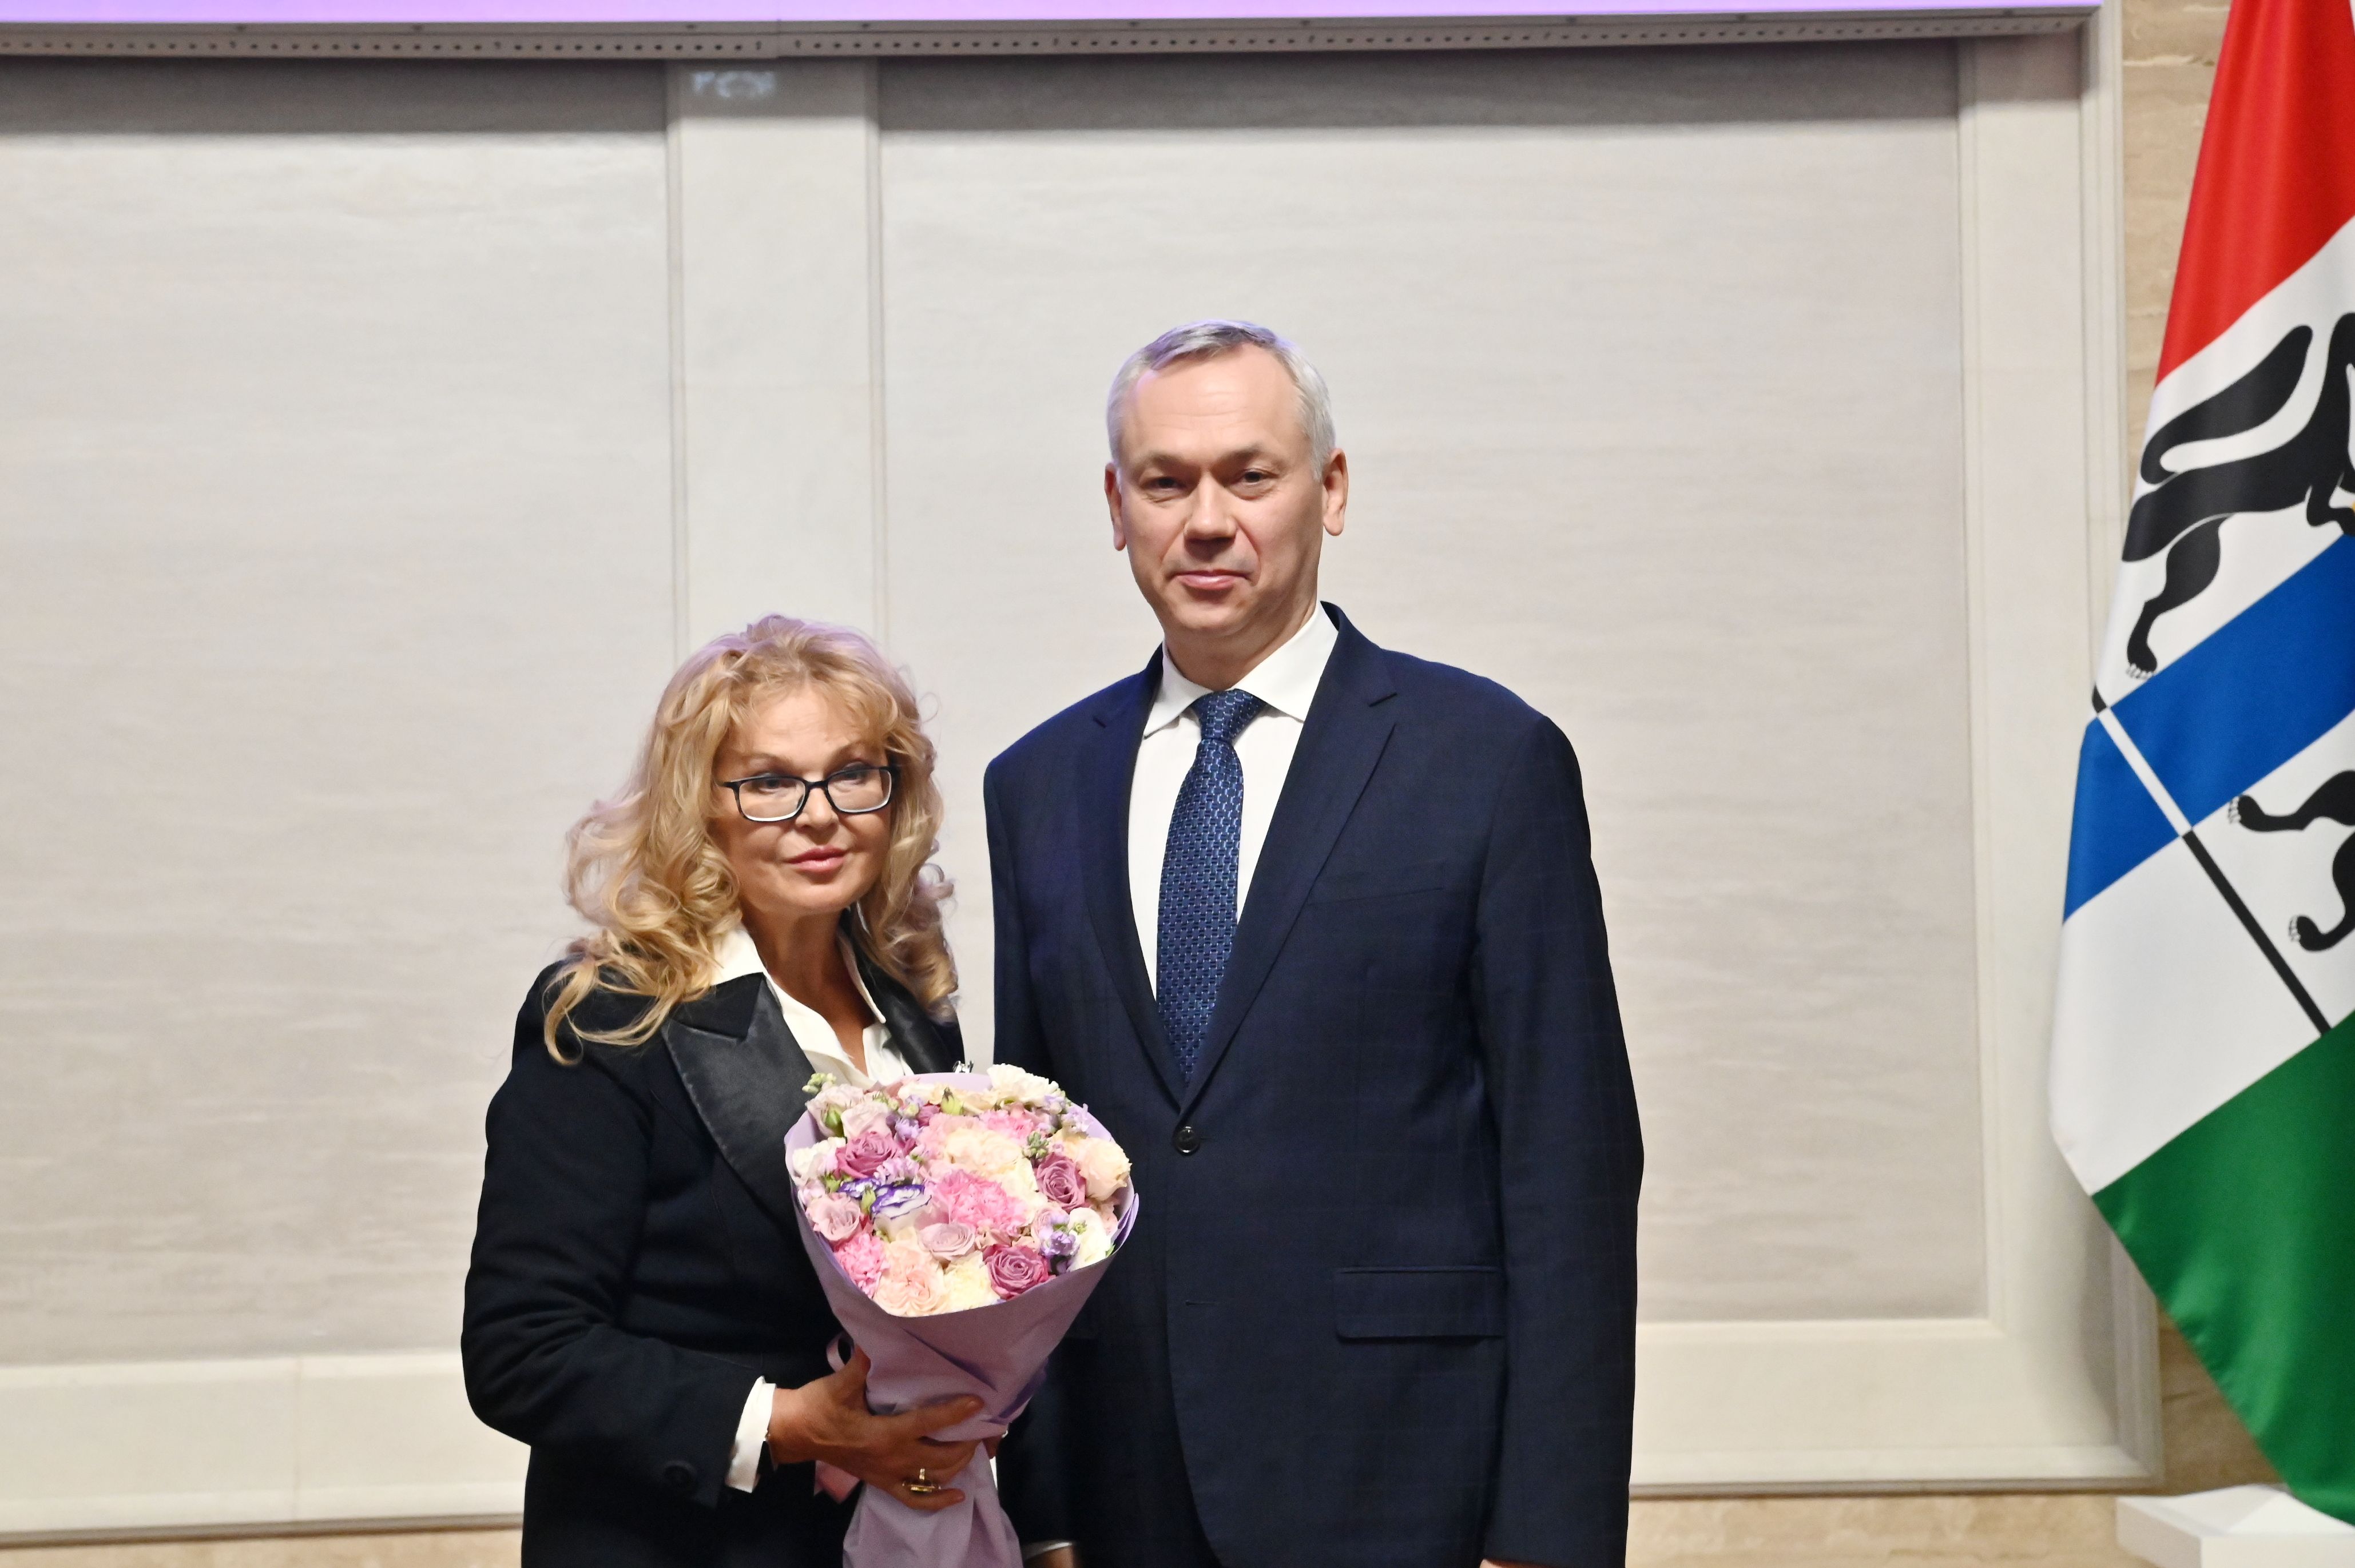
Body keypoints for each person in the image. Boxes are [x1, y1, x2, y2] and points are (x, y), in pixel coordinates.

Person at [988, 323, 1643, 1568]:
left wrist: (1546, 1533)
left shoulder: (1486, 760)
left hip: (1407, 1475)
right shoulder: (1038, 783)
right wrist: (1046, 1508)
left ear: (1330, 490)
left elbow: (1569, 1167)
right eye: (1166, 482)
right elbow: (1042, 1179)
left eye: (1251, 475)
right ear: (1117, 508)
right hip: (1127, 1489)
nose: (1208, 521)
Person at [463, 615, 987, 1567]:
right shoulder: (611, 1017)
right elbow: (522, 1349)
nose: (820, 814)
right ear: (700, 807)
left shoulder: (915, 1010)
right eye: (769, 782)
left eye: (853, 772)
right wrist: (786, 1424)